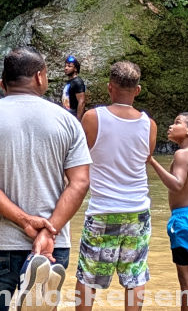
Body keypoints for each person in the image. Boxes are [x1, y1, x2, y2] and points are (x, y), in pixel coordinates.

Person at [0, 46, 92, 311]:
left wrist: (25, 221)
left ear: (1, 83)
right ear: (40, 77)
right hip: (52, 244)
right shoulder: (67, 121)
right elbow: (80, 182)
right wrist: (47, 229)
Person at [75, 61, 157, 311]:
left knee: (88, 275)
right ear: (138, 90)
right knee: (135, 275)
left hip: (103, 209)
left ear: (110, 88)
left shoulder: (92, 118)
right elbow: (146, 157)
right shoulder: (149, 124)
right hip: (138, 210)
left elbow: (77, 157)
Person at [148, 113, 188, 311]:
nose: (170, 126)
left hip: (184, 219)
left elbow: (177, 185)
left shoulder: (182, 154)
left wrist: (152, 162)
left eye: (177, 123)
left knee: (186, 276)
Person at [62, 55, 87, 120]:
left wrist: (78, 120)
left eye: (69, 66)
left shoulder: (78, 82)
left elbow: (82, 102)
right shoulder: (70, 82)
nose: (66, 68)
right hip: (67, 114)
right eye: (66, 66)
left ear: (75, 69)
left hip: (73, 115)